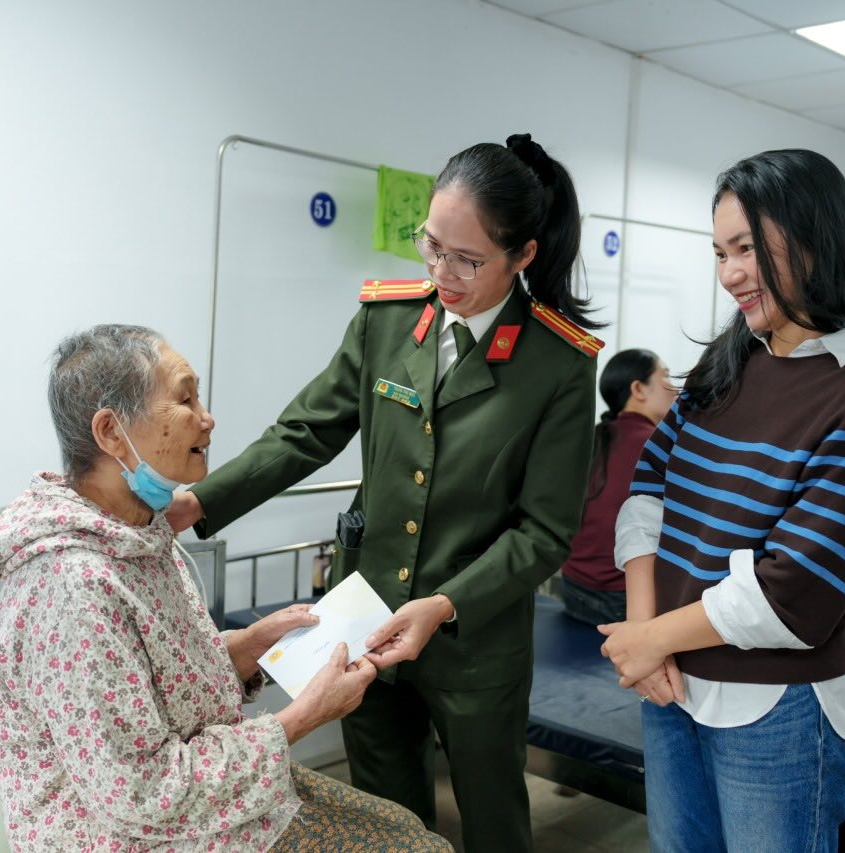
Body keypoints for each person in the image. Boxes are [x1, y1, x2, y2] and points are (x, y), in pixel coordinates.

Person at [168, 134, 601, 852]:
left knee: (493, 822)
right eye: (432, 247)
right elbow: (305, 431)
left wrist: (444, 602)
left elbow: (544, 532)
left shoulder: (557, 364)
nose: (442, 272)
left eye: (468, 259)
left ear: (523, 255)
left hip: (474, 639)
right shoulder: (390, 318)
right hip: (362, 619)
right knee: (381, 820)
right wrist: (198, 502)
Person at [0, 324, 452, 852]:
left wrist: (246, 651)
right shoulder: (74, 589)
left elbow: (146, 687)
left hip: (191, 793)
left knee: (408, 831)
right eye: (184, 399)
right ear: (111, 432)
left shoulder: (140, 532)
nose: (207, 418)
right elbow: (140, 791)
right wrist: (300, 719)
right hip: (121, 834)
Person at [601, 150, 845, 852]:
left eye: (746, 248)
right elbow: (646, 491)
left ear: (813, 238)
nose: (730, 273)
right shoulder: (732, 360)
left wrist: (650, 638)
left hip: (776, 708)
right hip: (673, 686)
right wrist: (644, 633)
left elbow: (797, 590)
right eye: (720, 252)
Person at [560, 348, 676, 626]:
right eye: (667, 376)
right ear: (639, 389)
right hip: (620, 605)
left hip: (573, 591)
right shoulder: (657, 445)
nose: (675, 388)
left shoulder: (593, 437)